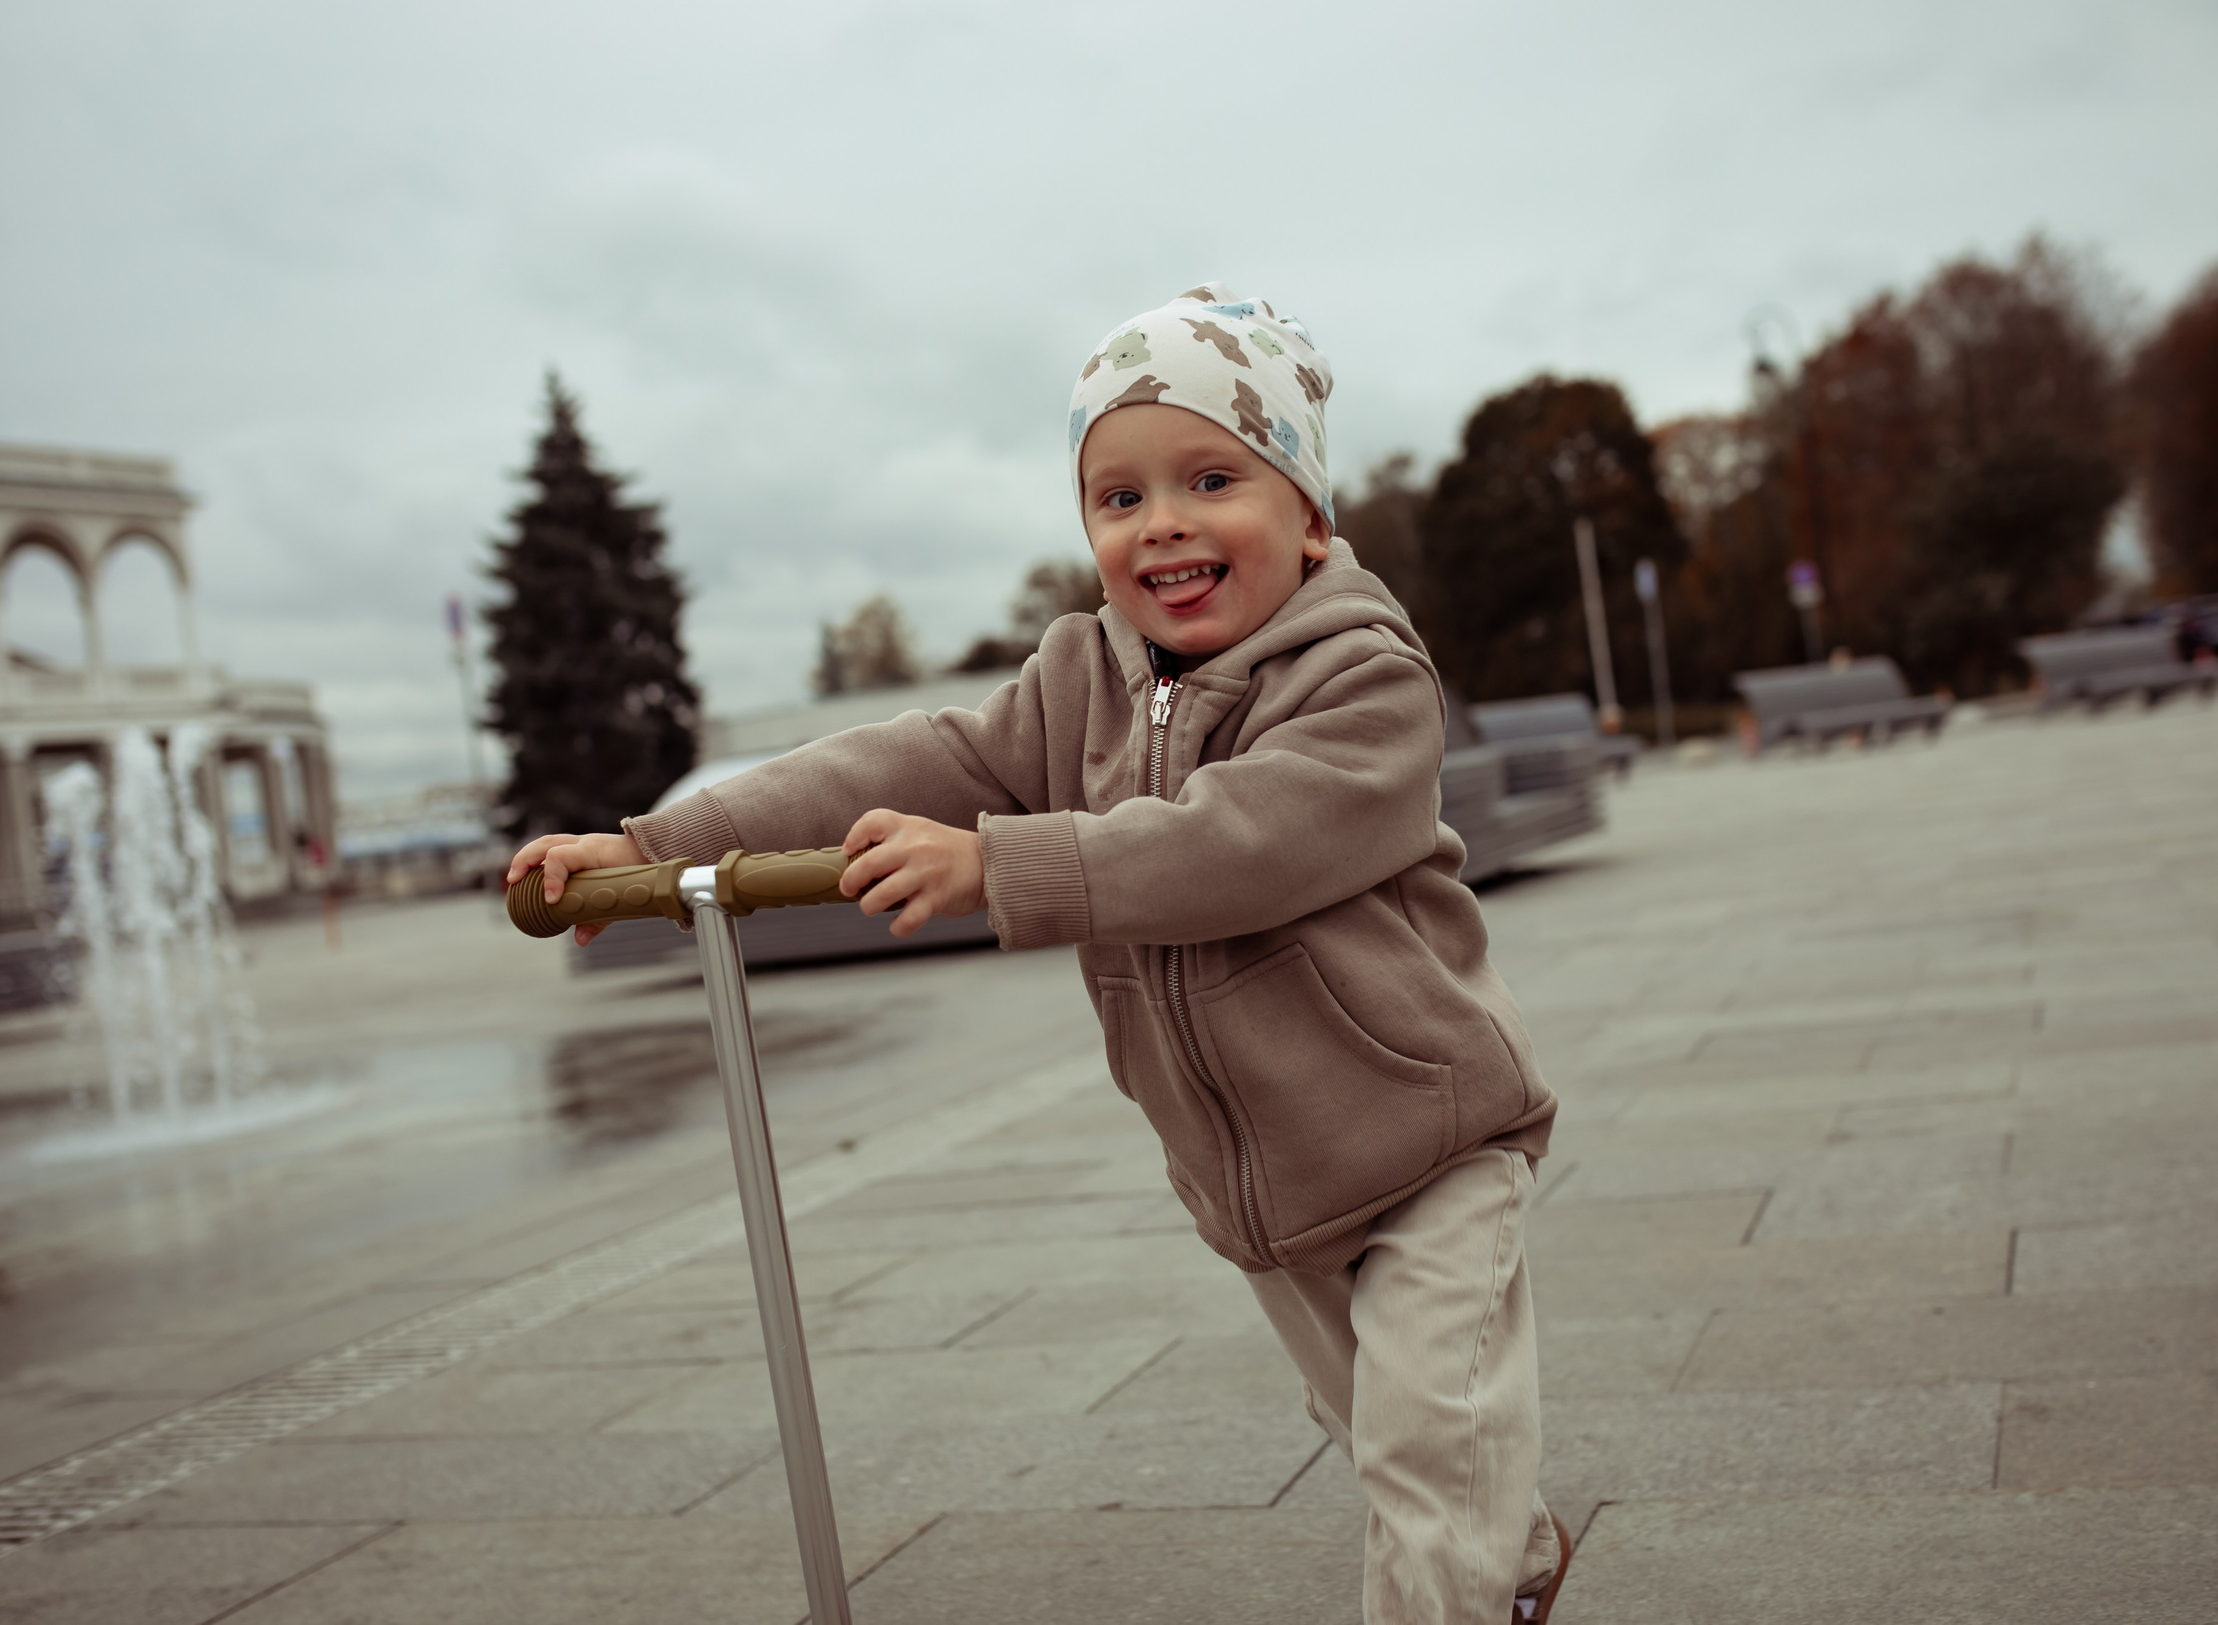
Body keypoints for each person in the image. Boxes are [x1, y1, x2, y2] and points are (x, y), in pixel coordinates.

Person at [505, 286, 1571, 1623]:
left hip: (1429, 1143)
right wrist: (656, 845)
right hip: (1263, 1188)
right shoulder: (1083, 682)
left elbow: (1237, 843)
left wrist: (1000, 865)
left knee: (1421, 1458)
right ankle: (1511, 1547)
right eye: (1119, 498)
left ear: (1309, 517)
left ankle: (1474, 1567)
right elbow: (913, 760)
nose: (1162, 521)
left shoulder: (1363, 678)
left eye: (1211, 479)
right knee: (1402, 1440)